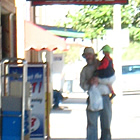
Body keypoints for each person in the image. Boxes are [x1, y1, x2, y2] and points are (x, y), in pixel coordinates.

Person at [80, 47, 112, 140]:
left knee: (106, 125)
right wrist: (89, 82)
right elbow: (82, 85)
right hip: (92, 98)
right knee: (91, 125)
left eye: (90, 55)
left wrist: (99, 80)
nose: (88, 57)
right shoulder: (85, 70)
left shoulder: (103, 64)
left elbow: (111, 78)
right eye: (86, 55)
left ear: (94, 55)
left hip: (105, 97)